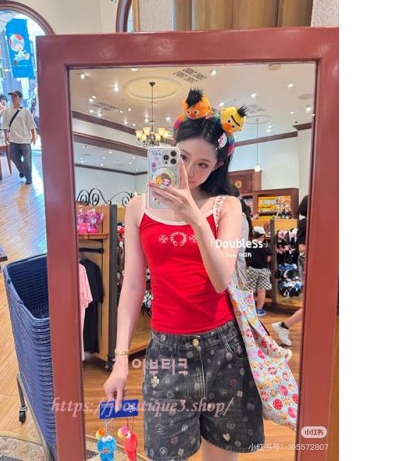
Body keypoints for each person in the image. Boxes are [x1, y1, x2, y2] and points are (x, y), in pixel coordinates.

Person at [104, 93, 265, 461]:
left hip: (223, 349)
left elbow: (221, 279)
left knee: (221, 458)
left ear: (217, 166)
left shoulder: (228, 207)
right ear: (170, 150)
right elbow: (132, 286)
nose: (190, 172)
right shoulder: (138, 207)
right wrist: (119, 360)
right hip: (166, 352)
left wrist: (195, 217)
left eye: (203, 164)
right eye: (183, 157)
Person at [272, 195, 308, 346]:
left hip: (315, 266)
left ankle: (284, 325)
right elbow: (302, 247)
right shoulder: (305, 223)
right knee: (314, 303)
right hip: (312, 266)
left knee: (313, 304)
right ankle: (284, 325)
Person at [2, 90, 37, 185]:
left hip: (25, 140)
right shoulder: (7, 111)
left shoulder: (25, 111)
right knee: (13, 157)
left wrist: (34, 137)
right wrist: (6, 136)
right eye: (12, 96)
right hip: (13, 140)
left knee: (27, 160)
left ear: (20, 98)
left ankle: (29, 178)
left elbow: (31, 125)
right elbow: (5, 125)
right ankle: (23, 170)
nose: (13, 98)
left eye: (15, 96)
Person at [245, 226, 272, 317]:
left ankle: (249, 309)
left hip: (251, 270)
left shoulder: (248, 245)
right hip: (263, 270)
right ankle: (259, 310)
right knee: (261, 290)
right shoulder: (265, 247)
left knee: (250, 290)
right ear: (263, 236)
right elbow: (268, 259)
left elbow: (245, 258)